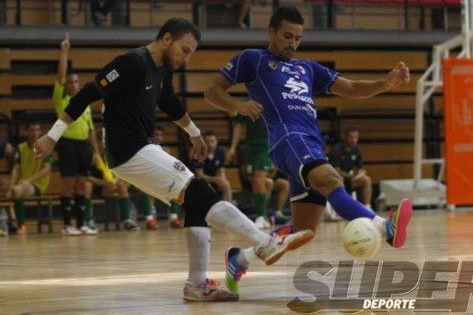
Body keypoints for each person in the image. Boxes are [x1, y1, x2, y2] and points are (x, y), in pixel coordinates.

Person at [34, 18, 314, 301]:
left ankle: (197, 285)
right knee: (200, 191)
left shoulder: (161, 70)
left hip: (140, 150)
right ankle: (264, 243)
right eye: (185, 50)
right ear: (167, 39)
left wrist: (194, 134)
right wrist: (51, 137)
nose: (187, 58)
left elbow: (169, 103)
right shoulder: (130, 64)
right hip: (130, 151)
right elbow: (86, 94)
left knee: (195, 202)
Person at [204, 6, 413, 294]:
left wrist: (386, 84)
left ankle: (240, 259)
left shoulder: (308, 68)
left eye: (297, 38)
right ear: (272, 32)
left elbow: (351, 88)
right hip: (288, 138)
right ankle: (382, 227)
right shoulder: (253, 59)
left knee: (304, 231)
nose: (292, 43)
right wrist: (236, 106)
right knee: (332, 181)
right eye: (287, 36)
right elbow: (212, 90)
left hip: (311, 142)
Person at [55, 32, 100, 236]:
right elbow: (61, 75)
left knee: (82, 184)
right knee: (68, 184)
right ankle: (66, 225)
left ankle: (81, 223)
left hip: (84, 146)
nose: (72, 84)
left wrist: (97, 152)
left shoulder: (86, 103)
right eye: (70, 82)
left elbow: (91, 130)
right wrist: (65, 51)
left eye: (75, 82)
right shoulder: (62, 99)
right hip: (67, 144)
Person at [226, 113, 287, 229]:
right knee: (256, 182)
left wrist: (277, 152)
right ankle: (263, 215)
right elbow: (238, 126)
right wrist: (233, 147)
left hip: (266, 147)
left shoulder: (270, 101)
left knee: (258, 180)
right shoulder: (246, 103)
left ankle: (261, 216)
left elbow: (280, 127)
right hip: (250, 147)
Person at [5, 122, 53, 233]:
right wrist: (11, 186)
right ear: (27, 132)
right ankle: (11, 222)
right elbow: (16, 169)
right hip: (23, 183)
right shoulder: (21, 148)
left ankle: (21, 226)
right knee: (10, 188)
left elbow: (47, 170)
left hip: (38, 184)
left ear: (40, 132)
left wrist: (28, 181)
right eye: (31, 130)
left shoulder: (44, 147)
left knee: (16, 191)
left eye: (37, 130)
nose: (34, 133)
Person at [330, 127, 372, 209]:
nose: (354, 140)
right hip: (337, 180)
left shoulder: (356, 150)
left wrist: (361, 173)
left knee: (366, 180)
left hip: (349, 180)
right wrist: (351, 176)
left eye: (356, 137)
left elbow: (361, 168)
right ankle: (337, 208)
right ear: (345, 137)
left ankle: (367, 207)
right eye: (351, 137)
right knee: (339, 179)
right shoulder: (337, 149)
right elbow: (336, 171)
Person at [194, 130, 233, 202]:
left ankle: (227, 207)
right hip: (201, 183)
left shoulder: (220, 152)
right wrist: (216, 179)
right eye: (207, 141)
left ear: (216, 142)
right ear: (203, 142)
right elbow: (200, 176)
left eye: (212, 141)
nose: (210, 144)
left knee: (226, 184)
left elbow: (221, 170)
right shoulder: (199, 154)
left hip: (214, 180)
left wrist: (222, 180)